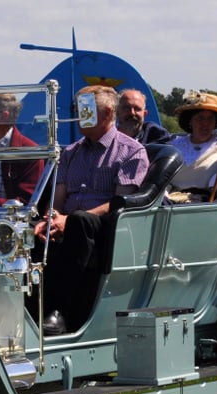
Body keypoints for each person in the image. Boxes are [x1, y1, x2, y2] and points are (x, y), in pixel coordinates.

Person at [34, 85, 149, 334]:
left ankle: (59, 310)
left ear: (107, 113)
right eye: (78, 109)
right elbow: (58, 195)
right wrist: (50, 218)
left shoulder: (132, 151)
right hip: (69, 220)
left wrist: (67, 221)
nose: (79, 116)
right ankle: (27, 306)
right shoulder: (70, 152)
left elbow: (121, 202)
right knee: (27, 231)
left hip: (106, 227)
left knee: (80, 221)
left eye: (86, 110)